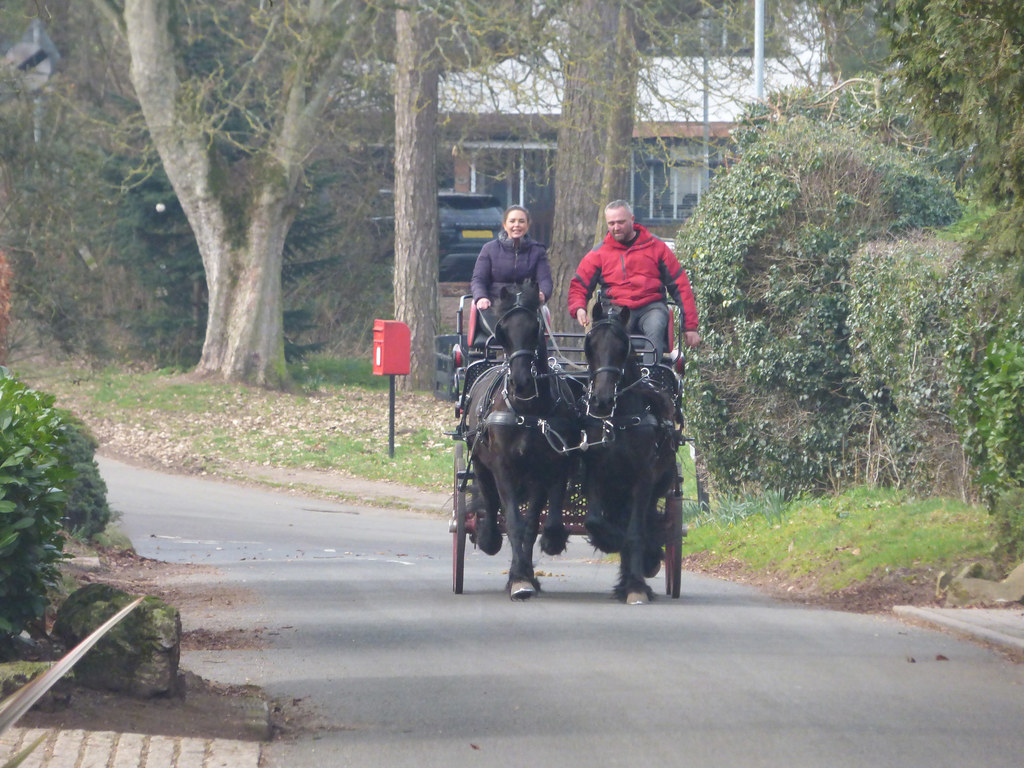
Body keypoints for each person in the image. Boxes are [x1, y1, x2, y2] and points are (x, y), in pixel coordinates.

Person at [568, 199, 700, 360]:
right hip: (616, 309)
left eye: (621, 222)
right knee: (609, 332)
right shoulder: (598, 253)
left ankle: (650, 371)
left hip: (651, 307)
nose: (616, 227)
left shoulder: (656, 247)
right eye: (611, 223)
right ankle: (611, 373)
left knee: (656, 326)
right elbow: (579, 285)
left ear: (632, 219)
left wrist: (690, 327)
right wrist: (579, 308)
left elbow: (680, 284)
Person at [470, 204, 553, 343]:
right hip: (495, 306)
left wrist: (543, 293)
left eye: (521, 221)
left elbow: (545, 280)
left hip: (526, 307)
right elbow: (478, 279)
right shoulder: (489, 249)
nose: (517, 225)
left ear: (527, 225)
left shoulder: (538, 251)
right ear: (504, 225)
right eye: (512, 221)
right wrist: (481, 297)